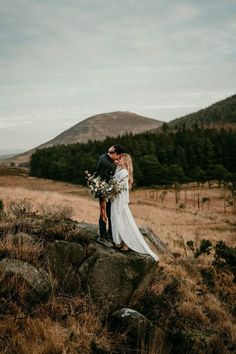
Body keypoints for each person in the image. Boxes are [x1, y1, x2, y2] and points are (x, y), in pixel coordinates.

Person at [111, 153, 159, 261]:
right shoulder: (121, 171)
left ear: (126, 161)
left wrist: (114, 194)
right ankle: (122, 241)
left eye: (120, 158)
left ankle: (127, 243)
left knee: (124, 222)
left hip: (119, 201)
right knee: (120, 222)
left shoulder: (124, 172)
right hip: (116, 200)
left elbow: (121, 189)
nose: (118, 159)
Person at [95, 144, 125, 241]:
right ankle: (106, 235)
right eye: (119, 156)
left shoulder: (104, 156)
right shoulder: (107, 164)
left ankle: (106, 233)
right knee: (107, 213)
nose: (119, 158)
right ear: (115, 153)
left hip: (105, 191)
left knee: (105, 212)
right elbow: (104, 182)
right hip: (105, 193)